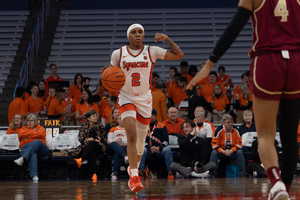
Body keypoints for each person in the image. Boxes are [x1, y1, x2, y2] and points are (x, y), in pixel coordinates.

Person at [187, 1, 300, 197]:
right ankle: (286, 191)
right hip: (297, 61)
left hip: (268, 60)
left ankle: (276, 183)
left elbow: (234, 28)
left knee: (265, 135)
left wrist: (209, 63)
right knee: (290, 136)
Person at [107, 23, 184, 192]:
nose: (137, 34)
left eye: (140, 32)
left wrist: (167, 39)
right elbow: (111, 78)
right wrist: (106, 76)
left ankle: (132, 167)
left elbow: (179, 54)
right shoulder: (118, 53)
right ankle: (134, 175)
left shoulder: (152, 51)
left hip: (145, 99)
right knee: (132, 135)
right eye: (133, 32)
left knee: (141, 142)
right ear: (128, 36)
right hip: (126, 97)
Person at [73, 110, 108, 181]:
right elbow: (81, 138)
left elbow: (104, 138)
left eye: (96, 116)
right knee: (91, 152)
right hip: (87, 147)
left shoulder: (100, 126)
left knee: (94, 142)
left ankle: (81, 160)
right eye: (93, 116)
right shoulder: (84, 127)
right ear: (88, 118)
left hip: (99, 147)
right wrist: (88, 141)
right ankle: (94, 174)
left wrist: (93, 139)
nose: (96, 117)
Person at [138, 109, 174, 179]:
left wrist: (159, 148)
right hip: (148, 150)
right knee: (142, 149)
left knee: (167, 149)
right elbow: (141, 141)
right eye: (149, 115)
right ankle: (140, 171)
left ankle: (170, 171)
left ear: (155, 116)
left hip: (160, 150)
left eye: (152, 115)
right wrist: (150, 147)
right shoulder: (143, 126)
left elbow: (166, 141)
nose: (150, 117)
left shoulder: (162, 126)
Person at [13, 114, 49, 181]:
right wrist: (34, 133)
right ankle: (34, 176)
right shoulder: (23, 128)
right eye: (28, 121)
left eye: (31, 120)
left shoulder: (40, 128)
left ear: (35, 121)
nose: (29, 122)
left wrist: (27, 136)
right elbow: (20, 136)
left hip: (41, 149)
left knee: (37, 142)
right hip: (25, 147)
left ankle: (23, 158)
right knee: (33, 153)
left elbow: (41, 134)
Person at [108, 115, 128, 180]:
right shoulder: (112, 129)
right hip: (114, 146)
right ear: (117, 120)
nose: (121, 120)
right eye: (120, 118)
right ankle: (125, 156)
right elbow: (109, 140)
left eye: (123, 119)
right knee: (113, 143)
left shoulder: (129, 129)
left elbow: (132, 140)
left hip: (125, 147)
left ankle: (115, 173)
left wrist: (125, 144)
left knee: (117, 153)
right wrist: (114, 141)